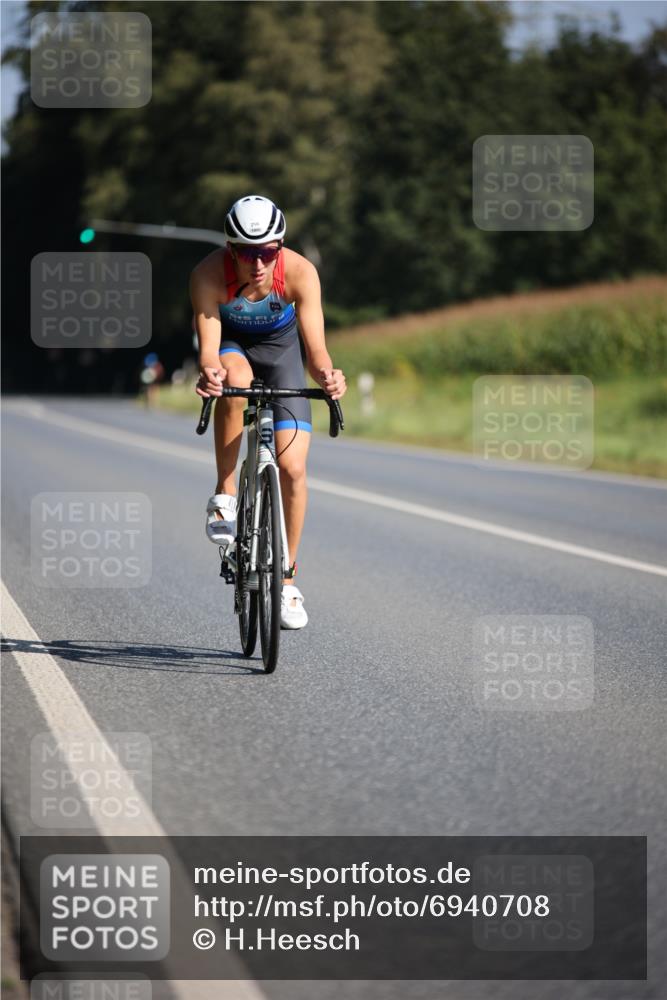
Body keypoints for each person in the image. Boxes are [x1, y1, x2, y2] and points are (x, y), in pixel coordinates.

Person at [190, 195, 347, 630]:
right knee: (233, 380)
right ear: (229, 248)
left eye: (267, 253)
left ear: (279, 247)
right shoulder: (207, 274)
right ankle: (224, 495)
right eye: (245, 252)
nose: (257, 264)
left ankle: (288, 578)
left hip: (282, 353)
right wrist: (210, 374)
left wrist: (329, 376)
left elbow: (316, 352)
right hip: (231, 347)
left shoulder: (299, 272)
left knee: (293, 468)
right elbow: (208, 351)